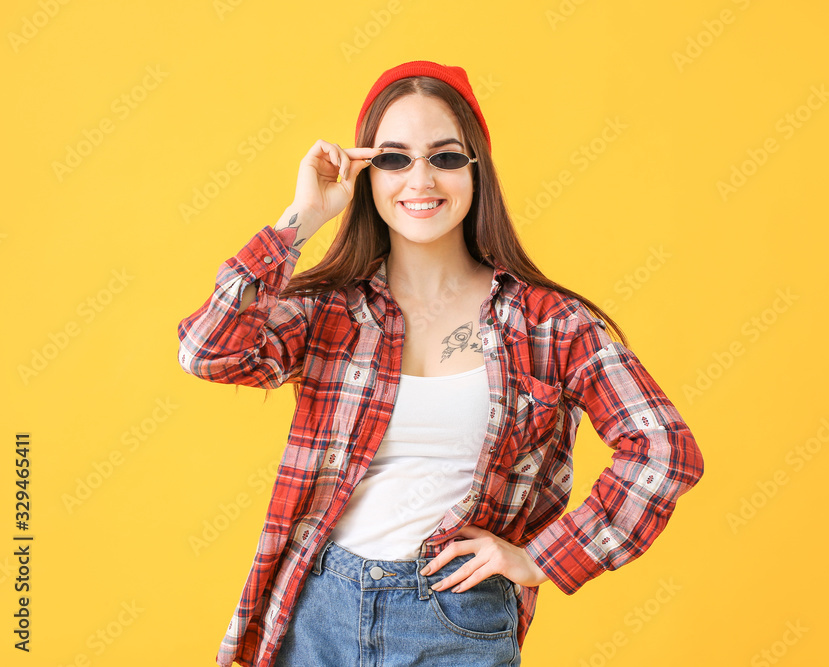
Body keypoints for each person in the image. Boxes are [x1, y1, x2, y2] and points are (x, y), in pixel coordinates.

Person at [177, 60, 705, 667]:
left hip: (455, 618)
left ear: (476, 171)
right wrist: (302, 220)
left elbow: (664, 448)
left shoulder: (549, 323)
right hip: (316, 608)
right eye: (395, 158)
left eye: (446, 157)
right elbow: (207, 351)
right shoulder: (331, 312)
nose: (420, 180)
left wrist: (541, 558)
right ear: (368, 175)